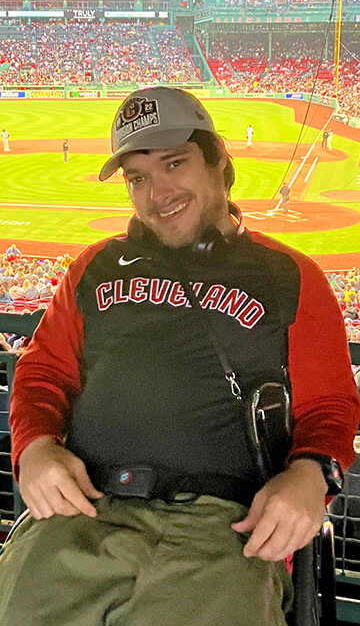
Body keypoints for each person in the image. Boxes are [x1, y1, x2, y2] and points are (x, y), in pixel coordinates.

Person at [1, 86, 360, 626]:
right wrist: (35, 448)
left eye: (174, 164)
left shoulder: (290, 277)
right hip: (79, 515)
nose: (157, 193)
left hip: (221, 533)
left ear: (220, 163)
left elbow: (331, 406)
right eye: (137, 178)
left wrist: (310, 475)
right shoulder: (93, 268)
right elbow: (42, 372)